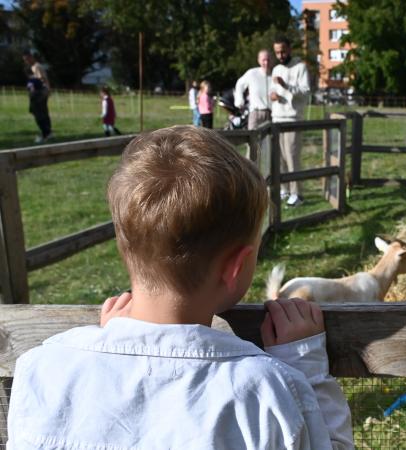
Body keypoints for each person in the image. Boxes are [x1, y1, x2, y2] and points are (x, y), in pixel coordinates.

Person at [6, 126, 354, 449]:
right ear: (235, 267)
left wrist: (115, 342)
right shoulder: (268, 393)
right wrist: (305, 367)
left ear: (122, 248)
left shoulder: (42, 370)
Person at [270, 36, 310, 207]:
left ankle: (297, 194)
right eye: (277, 52)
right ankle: (285, 189)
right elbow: (273, 90)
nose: (280, 55)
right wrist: (273, 95)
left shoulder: (301, 67)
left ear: (290, 49)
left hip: (292, 119)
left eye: (283, 51)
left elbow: (306, 91)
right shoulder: (276, 68)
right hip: (277, 118)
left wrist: (286, 86)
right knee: (280, 158)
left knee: (292, 157)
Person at [235, 49, 273, 130]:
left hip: (271, 113)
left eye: (268, 60)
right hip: (256, 112)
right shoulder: (252, 73)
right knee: (253, 139)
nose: (266, 63)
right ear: (259, 60)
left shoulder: (275, 74)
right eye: (263, 60)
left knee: (270, 141)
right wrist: (239, 101)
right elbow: (239, 84)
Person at [23, 51, 52, 143]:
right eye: (25, 60)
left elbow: (41, 79)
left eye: (27, 59)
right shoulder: (33, 67)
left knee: (38, 112)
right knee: (41, 111)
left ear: (31, 57)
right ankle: (47, 132)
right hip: (41, 92)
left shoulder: (36, 67)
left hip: (41, 92)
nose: (26, 61)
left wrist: (32, 82)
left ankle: (46, 133)